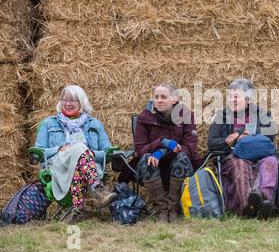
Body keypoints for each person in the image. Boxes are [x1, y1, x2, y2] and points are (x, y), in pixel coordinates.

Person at [35, 85, 117, 224]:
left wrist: (89, 153)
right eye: (65, 99)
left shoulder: (94, 124)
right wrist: (59, 148)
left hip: (87, 166)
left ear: (82, 102)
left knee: (80, 155)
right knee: (79, 146)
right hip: (59, 166)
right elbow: (39, 151)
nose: (68, 103)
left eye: (73, 100)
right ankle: (97, 189)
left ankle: (78, 211)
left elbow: (108, 153)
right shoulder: (49, 123)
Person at [208, 78, 279, 220]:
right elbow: (212, 143)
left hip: (260, 155)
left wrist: (245, 133)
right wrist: (228, 142)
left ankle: (265, 201)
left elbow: (271, 131)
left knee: (271, 161)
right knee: (240, 164)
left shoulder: (261, 113)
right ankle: (246, 206)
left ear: (248, 99)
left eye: (236, 97)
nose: (232, 100)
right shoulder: (221, 116)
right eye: (229, 97)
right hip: (233, 156)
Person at [131, 83, 202, 223]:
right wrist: (162, 142)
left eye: (163, 97)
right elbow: (140, 149)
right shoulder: (144, 117)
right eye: (156, 97)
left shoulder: (186, 115)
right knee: (147, 158)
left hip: (178, 166)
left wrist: (162, 152)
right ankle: (162, 209)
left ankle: (173, 208)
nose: (159, 100)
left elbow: (189, 146)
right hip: (152, 169)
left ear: (174, 99)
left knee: (182, 156)